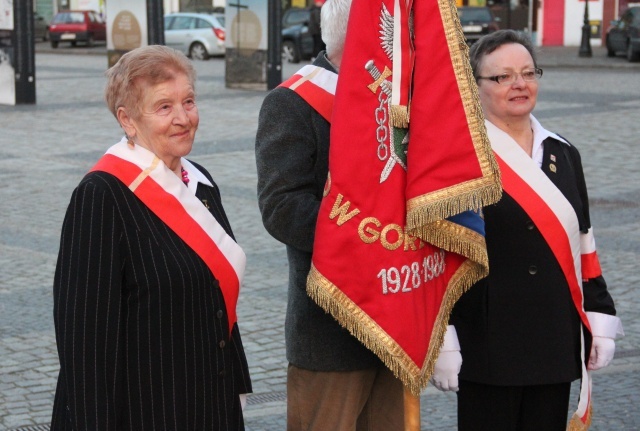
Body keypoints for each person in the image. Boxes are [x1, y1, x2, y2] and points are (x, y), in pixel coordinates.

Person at [430, 30, 624, 430]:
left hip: (553, 338)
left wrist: (599, 313)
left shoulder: (563, 152)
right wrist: (442, 336)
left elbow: (584, 241)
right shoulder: (457, 158)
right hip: (488, 343)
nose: (519, 84)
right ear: (474, 86)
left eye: (527, 72)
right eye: (502, 77)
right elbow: (437, 255)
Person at [51, 45, 252, 430]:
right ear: (127, 119)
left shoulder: (202, 183)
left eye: (188, 101)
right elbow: (85, 343)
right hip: (146, 412)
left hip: (210, 406)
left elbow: (219, 302)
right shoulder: (101, 196)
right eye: (164, 107)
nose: (183, 118)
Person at [255, 0, 405, 429]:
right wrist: (376, 235)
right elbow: (281, 209)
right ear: (362, 36)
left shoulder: (396, 94)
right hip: (329, 333)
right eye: (390, 32)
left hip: (397, 322)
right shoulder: (293, 103)